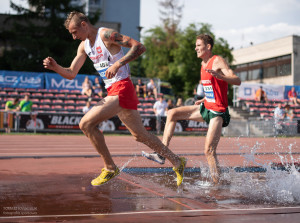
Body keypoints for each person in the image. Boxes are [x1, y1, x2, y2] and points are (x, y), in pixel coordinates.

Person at [43, 11, 186, 187]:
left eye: (74, 32)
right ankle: (178, 162)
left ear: (84, 25)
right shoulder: (83, 46)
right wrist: (56, 67)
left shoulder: (106, 35)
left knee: (86, 124)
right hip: (112, 90)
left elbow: (139, 47)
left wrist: (118, 63)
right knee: (140, 136)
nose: (74, 37)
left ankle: (110, 168)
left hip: (123, 87)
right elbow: (72, 73)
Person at [142, 34, 241, 184]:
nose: (195, 48)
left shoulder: (218, 61)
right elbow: (213, 89)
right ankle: (162, 154)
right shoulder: (202, 65)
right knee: (172, 113)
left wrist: (222, 77)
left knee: (208, 151)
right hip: (206, 106)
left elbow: (237, 80)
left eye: (198, 45)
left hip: (218, 112)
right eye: (195, 45)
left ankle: (218, 185)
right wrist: (205, 98)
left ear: (208, 47)